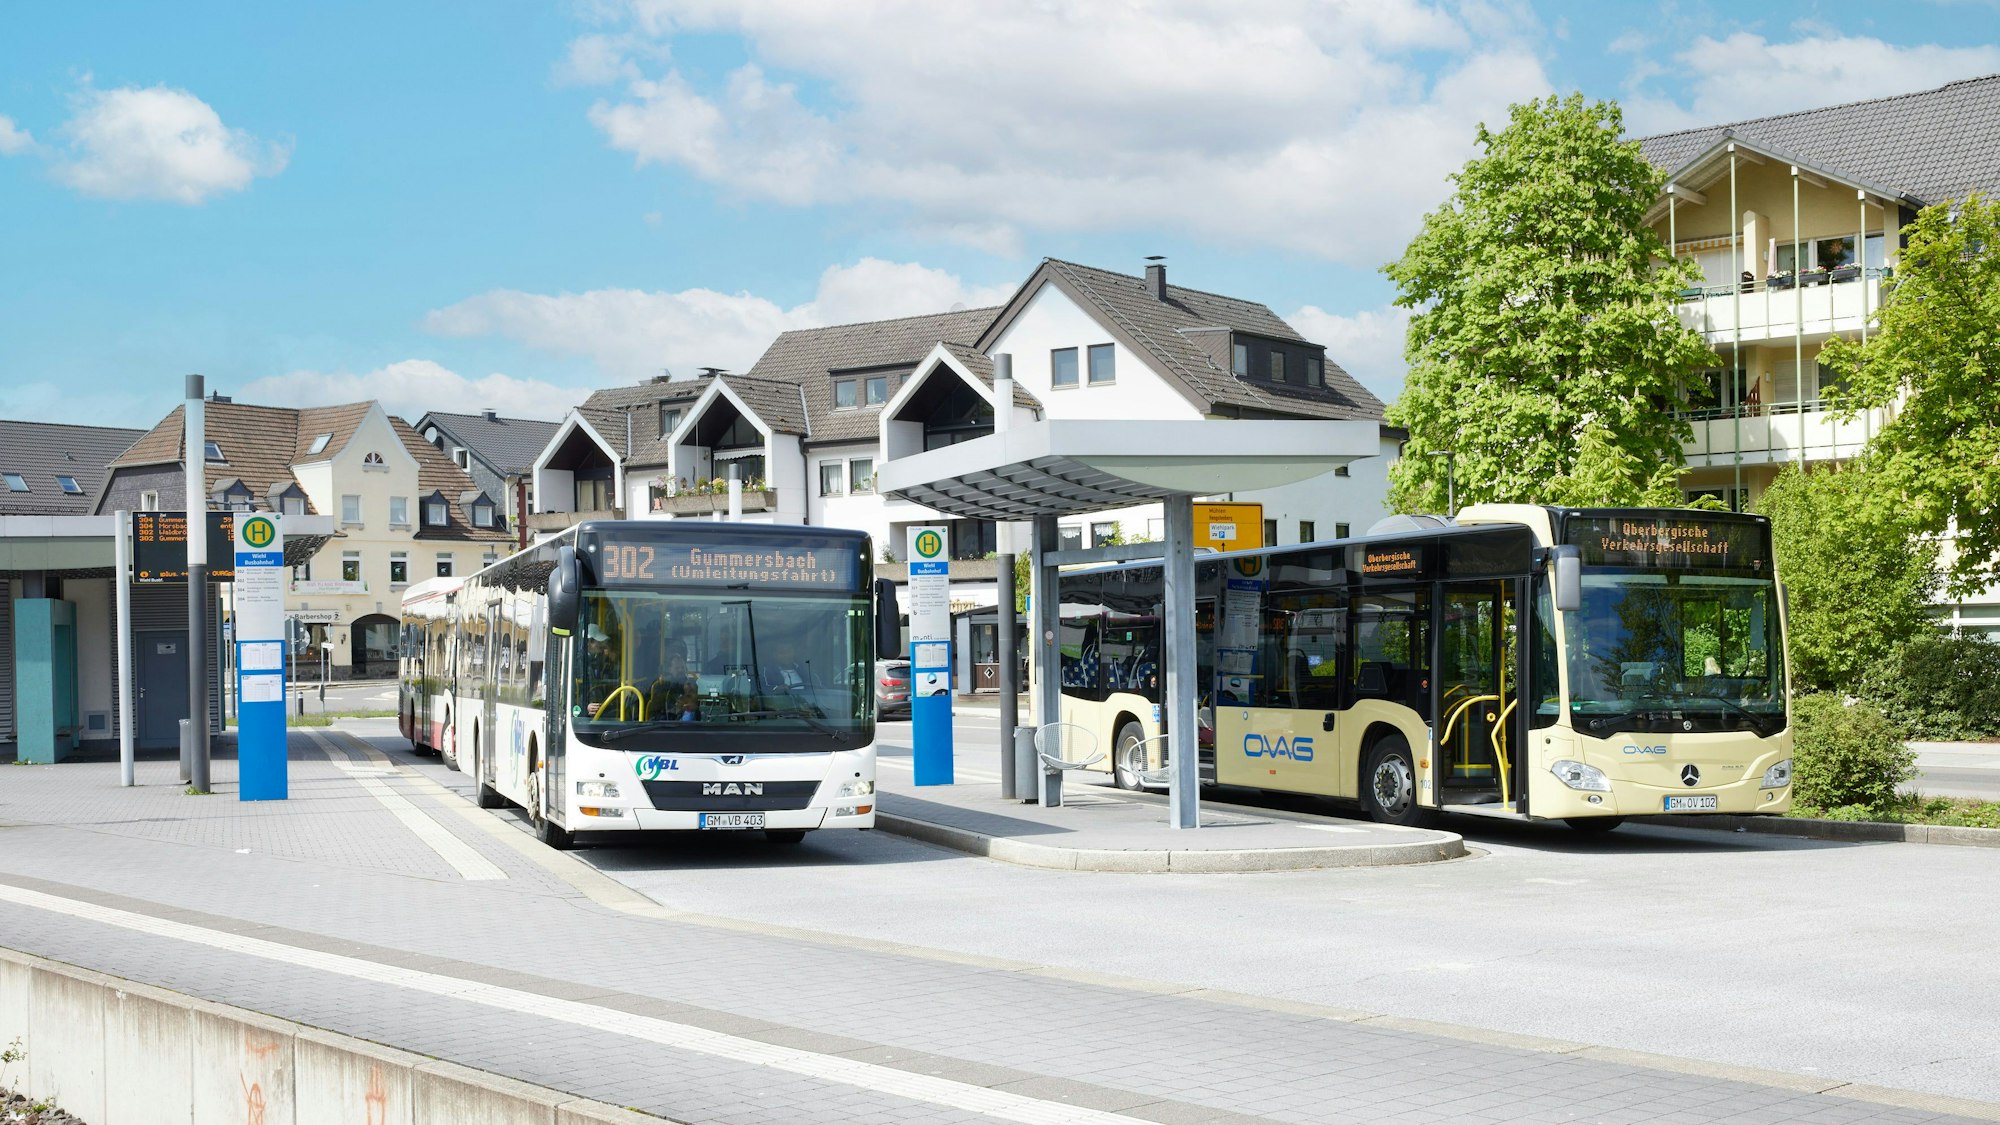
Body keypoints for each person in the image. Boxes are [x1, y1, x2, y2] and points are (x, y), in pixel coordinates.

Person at [650, 653, 699, 721]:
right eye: (677, 668)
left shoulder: (690, 685)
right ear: (669, 669)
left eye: (682, 667)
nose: (680, 670)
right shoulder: (662, 685)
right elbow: (657, 708)